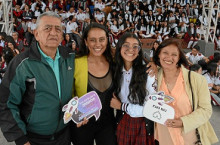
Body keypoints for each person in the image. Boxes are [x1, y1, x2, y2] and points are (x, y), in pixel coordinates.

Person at [0, 11, 75, 145]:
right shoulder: (22, 63)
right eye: (47, 28)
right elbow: (5, 102)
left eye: (58, 29)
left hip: (64, 136)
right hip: (33, 139)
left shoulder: (70, 57)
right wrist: (21, 139)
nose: (53, 32)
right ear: (36, 34)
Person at [153, 38, 218, 145]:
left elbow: (206, 110)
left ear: (179, 58)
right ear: (158, 55)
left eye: (174, 54)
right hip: (163, 137)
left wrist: (184, 121)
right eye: (165, 52)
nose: (169, 57)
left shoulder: (196, 80)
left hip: (188, 137)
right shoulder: (153, 77)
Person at [71, 22, 117, 145]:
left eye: (101, 39)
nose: (97, 44)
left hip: (108, 124)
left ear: (107, 40)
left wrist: (154, 65)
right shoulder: (75, 63)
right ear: (86, 42)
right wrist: (74, 115)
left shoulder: (114, 61)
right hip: (82, 124)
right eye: (92, 40)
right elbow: (69, 95)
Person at [110, 32, 157, 145]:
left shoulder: (148, 72)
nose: (131, 49)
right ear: (120, 47)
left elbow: (151, 109)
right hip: (122, 121)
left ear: (139, 50)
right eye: (126, 45)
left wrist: (122, 106)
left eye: (135, 46)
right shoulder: (115, 70)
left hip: (142, 124)